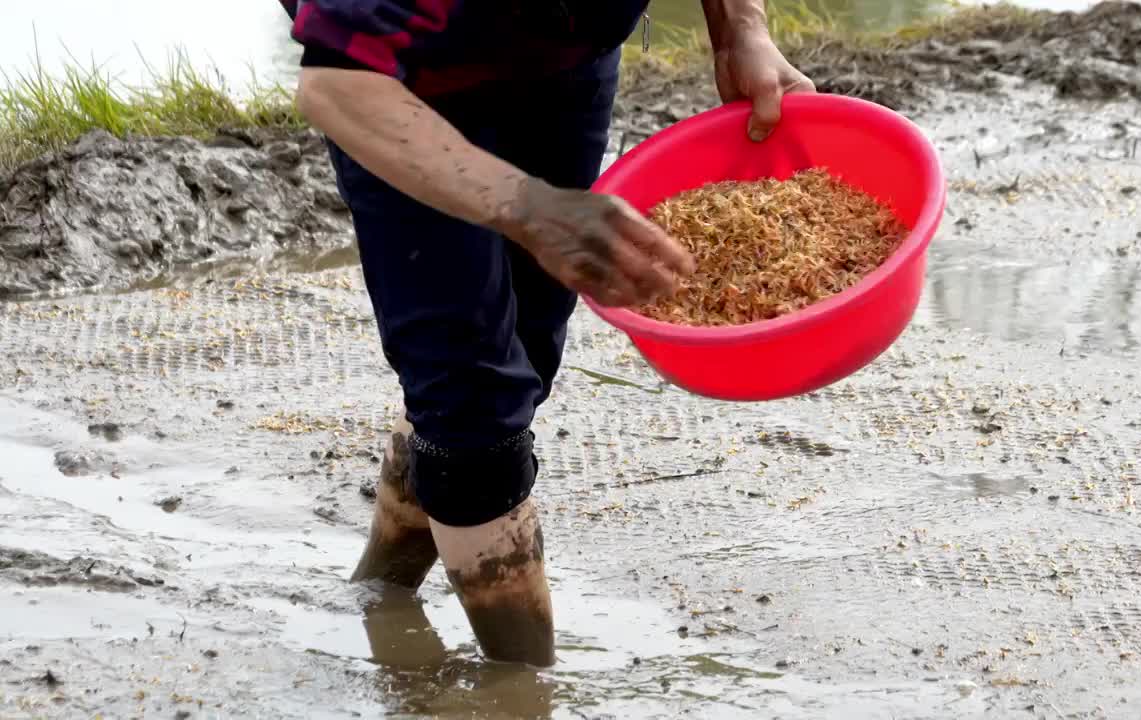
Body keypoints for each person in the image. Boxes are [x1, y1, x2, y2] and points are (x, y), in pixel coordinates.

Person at [281, 0, 815, 667]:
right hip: (393, 84)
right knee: (474, 405)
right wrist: (530, 209)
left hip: (563, 52)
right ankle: (525, 692)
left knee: (521, 360)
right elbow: (336, 82)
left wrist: (739, 29)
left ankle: (381, 595)